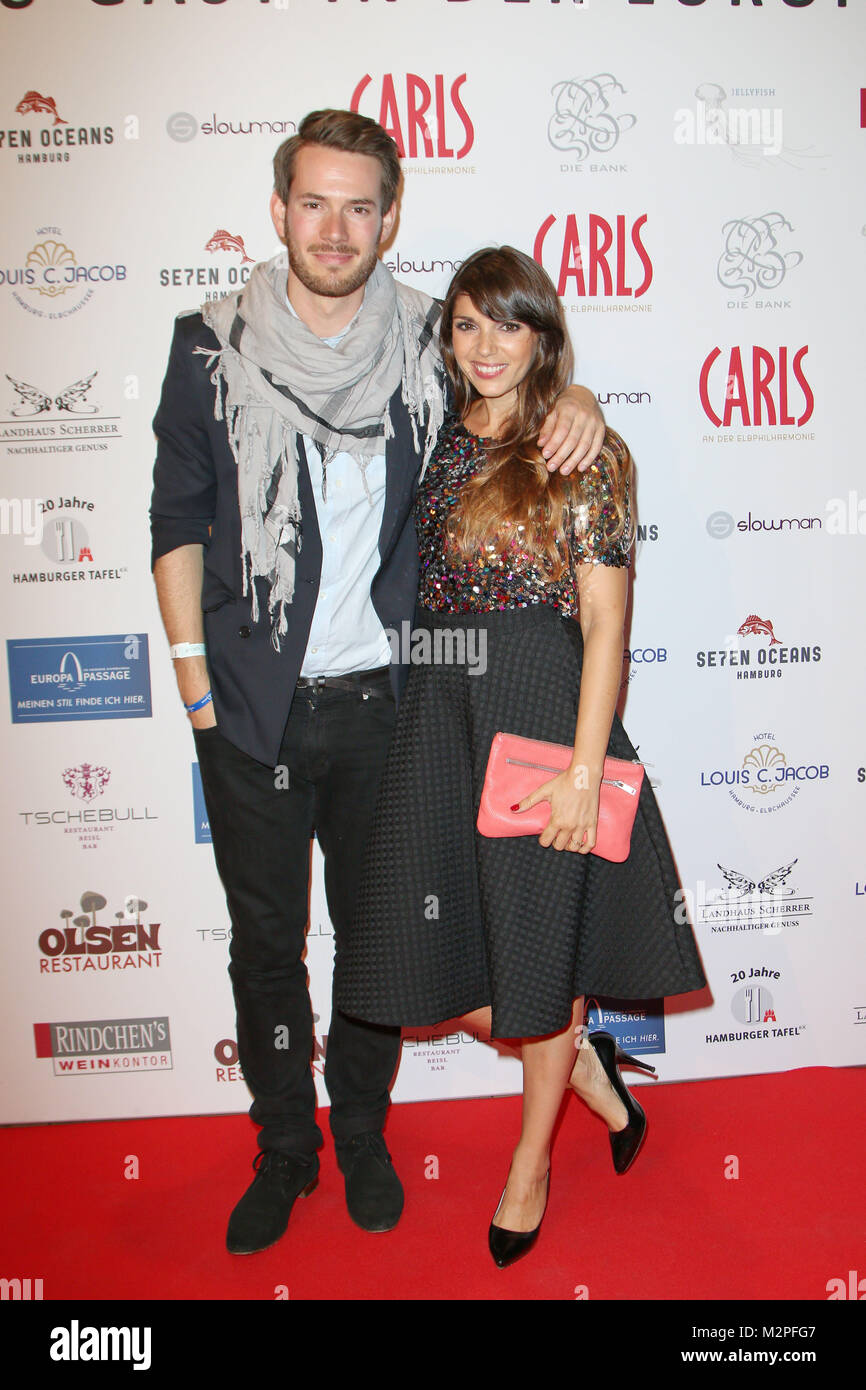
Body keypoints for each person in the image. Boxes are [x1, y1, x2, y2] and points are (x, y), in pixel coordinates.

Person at [149, 110, 606, 1256]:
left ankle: (358, 1136)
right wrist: (199, 695)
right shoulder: (205, 346)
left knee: (374, 950)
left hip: (390, 712)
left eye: (361, 205)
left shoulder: (425, 346)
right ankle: (282, 1149)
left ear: (389, 216)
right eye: (315, 202)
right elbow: (174, 526)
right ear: (279, 210)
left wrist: (579, 403)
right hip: (251, 714)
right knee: (266, 950)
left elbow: (514, 391)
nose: (336, 226)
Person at [334, 246, 706, 1268]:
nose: (485, 345)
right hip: (440, 720)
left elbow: (604, 625)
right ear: (444, 336)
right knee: (409, 959)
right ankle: (588, 1071)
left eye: (508, 324)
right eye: (465, 323)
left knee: (540, 958)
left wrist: (584, 772)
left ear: (542, 334)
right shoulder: (438, 436)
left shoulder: (584, 447)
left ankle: (529, 1165)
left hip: (544, 711)